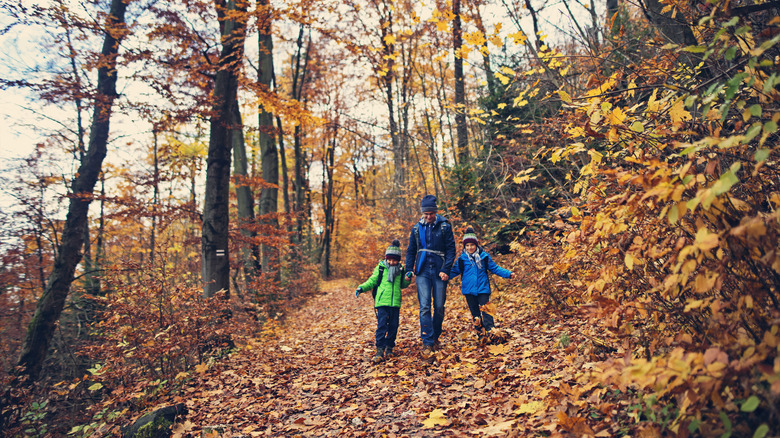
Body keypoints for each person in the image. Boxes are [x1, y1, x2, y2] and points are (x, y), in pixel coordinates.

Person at [405, 195, 456, 363]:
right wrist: (408, 269)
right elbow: (411, 250)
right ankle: (427, 341)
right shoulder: (415, 229)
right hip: (422, 270)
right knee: (425, 306)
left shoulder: (444, 227)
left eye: (430, 214)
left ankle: (435, 335)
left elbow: (451, 250)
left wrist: (446, 269)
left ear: (435, 212)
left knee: (439, 306)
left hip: (440, 270)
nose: (428, 217)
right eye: (425, 214)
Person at [449, 227, 514, 342]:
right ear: (464, 246)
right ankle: (481, 336)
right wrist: (442, 277)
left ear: (476, 245)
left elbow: (495, 268)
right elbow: (454, 271)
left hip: (483, 289)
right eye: (467, 245)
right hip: (469, 291)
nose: (470, 248)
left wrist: (508, 274)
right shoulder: (462, 259)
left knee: (487, 311)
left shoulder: (484, 257)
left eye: (472, 245)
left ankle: (491, 333)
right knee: (476, 314)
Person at [355, 239, 412, 363]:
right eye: (389, 259)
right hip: (381, 302)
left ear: (398, 260)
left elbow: (402, 285)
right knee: (382, 326)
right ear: (386, 258)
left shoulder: (401, 270)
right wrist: (361, 287)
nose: (391, 262)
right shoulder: (381, 268)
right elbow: (372, 281)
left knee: (393, 326)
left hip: (395, 303)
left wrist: (407, 280)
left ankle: (389, 347)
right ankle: (379, 349)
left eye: (394, 260)